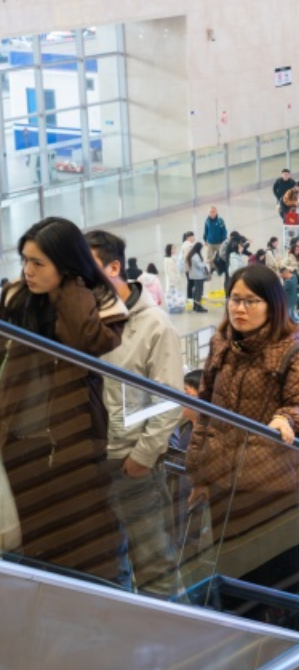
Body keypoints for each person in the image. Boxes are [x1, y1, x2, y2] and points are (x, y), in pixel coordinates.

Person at [0, 218, 129, 581]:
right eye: (25, 260)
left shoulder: (100, 302)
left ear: (66, 264)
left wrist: (69, 288)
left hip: (73, 441)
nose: (27, 271)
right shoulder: (15, 298)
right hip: (17, 441)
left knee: (83, 539)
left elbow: (86, 342)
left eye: (38, 263)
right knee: (31, 538)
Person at [86, 231, 183, 595]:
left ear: (114, 267)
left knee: (154, 564)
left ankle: (173, 627)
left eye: (88, 268)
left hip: (132, 464)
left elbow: (170, 398)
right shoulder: (82, 322)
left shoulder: (154, 324)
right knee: (108, 565)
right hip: (91, 460)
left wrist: (142, 457)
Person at [185, 242, 210, 313]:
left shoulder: (192, 255)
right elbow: (199, 265)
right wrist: (206, 262)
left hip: (195, 275)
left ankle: (195, 305)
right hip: (198, 276)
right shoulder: (195, 256)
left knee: (196, 291)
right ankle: (198, 306)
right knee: (199, 291)